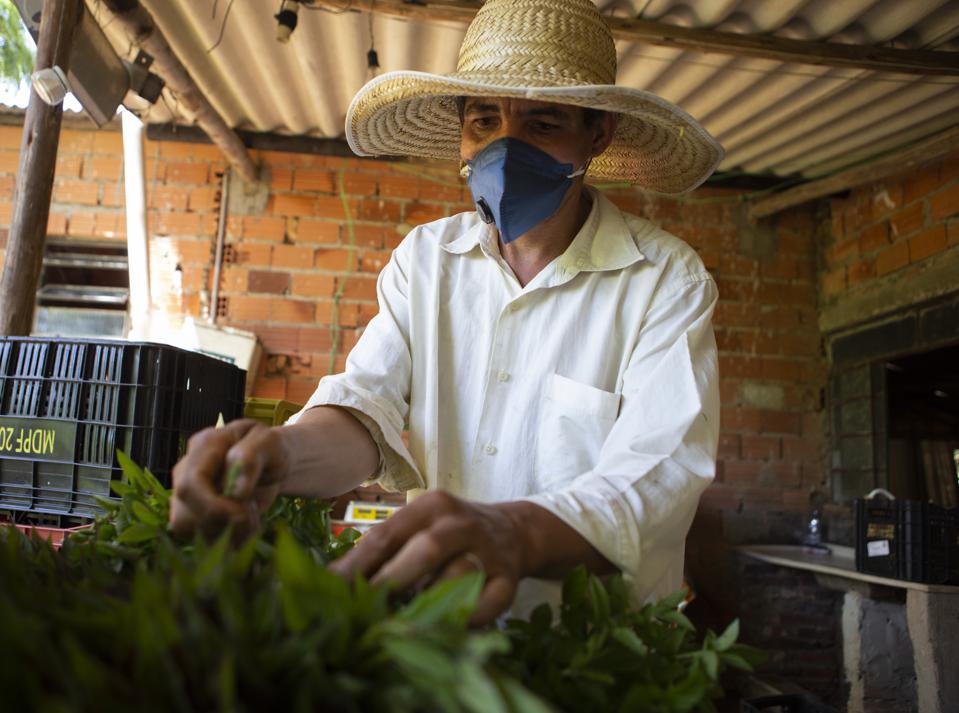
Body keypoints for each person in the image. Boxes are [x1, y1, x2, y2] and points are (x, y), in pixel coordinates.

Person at [171, 0, 723, 625]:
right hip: (446, 636)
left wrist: (514, 533)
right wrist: (280, 455)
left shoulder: (664, 281)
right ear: (462, 135)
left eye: (543, 124)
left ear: (598, 135)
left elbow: (659, 475)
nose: (505, 150)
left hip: (599, 649)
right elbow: (365, 410)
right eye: (485, 121)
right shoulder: (427, 261)